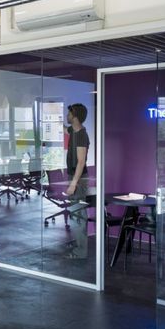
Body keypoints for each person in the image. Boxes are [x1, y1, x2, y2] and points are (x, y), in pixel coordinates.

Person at [64, 103, 90, 259]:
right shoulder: (73, 131)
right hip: (74, 177)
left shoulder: (81, 135)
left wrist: (73, 184)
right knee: (75, 215)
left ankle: (81, 252)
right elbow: (63, 129)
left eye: (69, 114)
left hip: (78, 179)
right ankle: (79, 245)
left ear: (75, 117)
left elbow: (81, 162)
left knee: (78, 215)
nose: (67, 116)